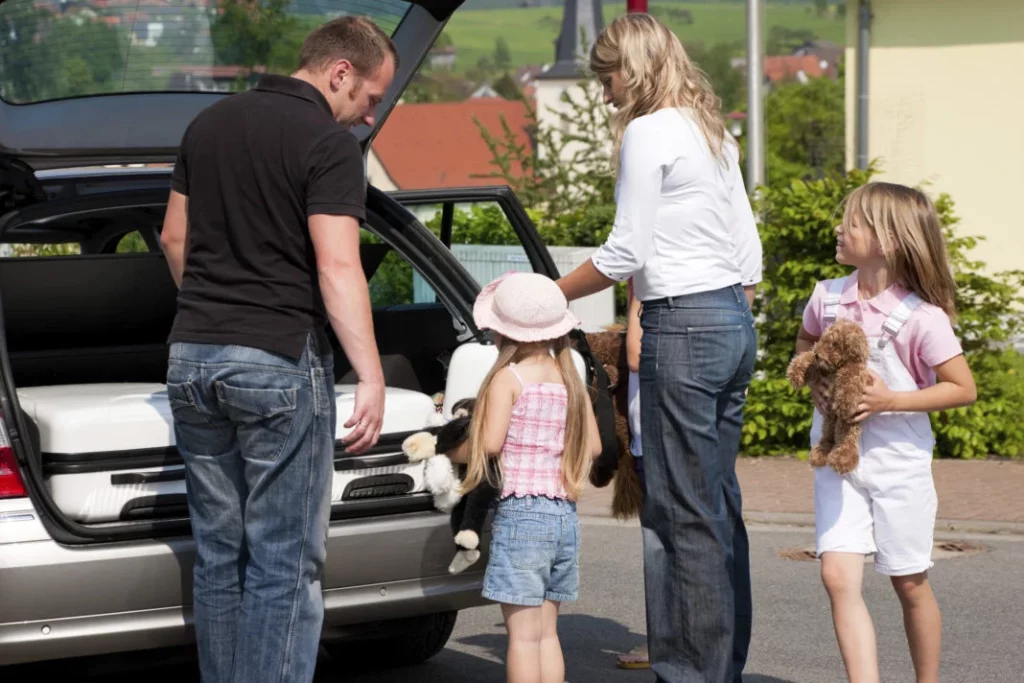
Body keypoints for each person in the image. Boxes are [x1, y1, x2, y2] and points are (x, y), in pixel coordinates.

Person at [158, 16, 397, 683]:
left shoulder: (206, 126)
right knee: (285, 562)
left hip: (193, 359)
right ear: (339, 72)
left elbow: (174, 238)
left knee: (220, 554)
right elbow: (338, 266)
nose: (366, 116)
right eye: (371, 98)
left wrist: (214, 310)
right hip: (277, 362)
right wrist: (371, 373)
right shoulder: (327, 145)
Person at [556, 13, 763, 682]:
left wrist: (549, 291)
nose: (605, 93)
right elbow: (749, 253)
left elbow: (626, 250)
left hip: (686, 324)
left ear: (633, 69)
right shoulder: (713, 131)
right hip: (732, 318)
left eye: (608, 77)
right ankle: (720, 666)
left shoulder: (647, 132)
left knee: (679, 517)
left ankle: (689, 674)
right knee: (718, 507)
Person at [796, 182, 977, 683]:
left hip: (899, 464)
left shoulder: (923, 317)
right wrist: (814, 376)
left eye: (851, 221)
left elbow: (962, 388)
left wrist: (892, 400)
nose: (840, 227)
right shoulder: (827, 297)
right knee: (836, 576)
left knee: (909, 582)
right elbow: (807, 340)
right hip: (836, 456)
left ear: (889, 240)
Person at [450, 271, 603, 683]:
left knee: (520, 638)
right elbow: (594, 448)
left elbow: (491, 445)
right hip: (563, 516)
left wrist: (449, 448)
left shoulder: (508, 378)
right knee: (547, 634)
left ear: (501, 332)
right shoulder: (572, 379)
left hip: (521, 516)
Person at [617, 279, 649, 670]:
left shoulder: (648, 291)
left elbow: (636, 356)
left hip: (656, 440)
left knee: (664, 549)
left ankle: (664, 643)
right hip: (656, 437)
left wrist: (636, 295)